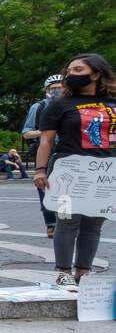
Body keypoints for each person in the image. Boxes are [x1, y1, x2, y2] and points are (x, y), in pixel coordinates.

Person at [34, 53, 116, 291]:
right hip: (70, 171)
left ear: (96, 73)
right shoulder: (59, 104)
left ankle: (83, 271)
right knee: (67, 221)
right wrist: (40, 170)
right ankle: (63, 272)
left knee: (93, 224)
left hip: (105, 173)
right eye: (70, 70)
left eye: (78, 70)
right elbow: (46, 141)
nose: (71, 75)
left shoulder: (113, 103)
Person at [22, 74, 64, 238]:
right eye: (53, 88)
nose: (56, 91)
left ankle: (66, 222)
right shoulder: (39, 107)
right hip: (46, 153)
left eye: (60, 88)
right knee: (45, 188)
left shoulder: (73, 105)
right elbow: (26, 133)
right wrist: (45, 131)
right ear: (47, 90)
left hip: (69, 152)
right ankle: (51, 224)